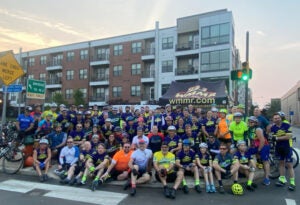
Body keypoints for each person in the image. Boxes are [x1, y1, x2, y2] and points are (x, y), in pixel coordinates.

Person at [270, 113, 295, 191]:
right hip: (278, 148)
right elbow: (273, 136)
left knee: (289, 165)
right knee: (281, 164)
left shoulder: (287, 125)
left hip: (287, 147)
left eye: (278, 118)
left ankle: (292, 183)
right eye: (275, 118)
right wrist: (273, 138)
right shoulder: (273, 127)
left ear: (281, 118)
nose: (277, 119)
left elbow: (288, 136)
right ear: (273, 120)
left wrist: (277, 138)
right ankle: (282, 180)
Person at [247, 116, 271, 186]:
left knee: (265, 161)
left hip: (263, 146)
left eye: (252, 122)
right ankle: (249, 171)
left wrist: (259, 150)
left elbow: (262, 140)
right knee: (247, 153)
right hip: (255, 145)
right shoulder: (250, 129)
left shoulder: (258, 129)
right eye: (249, 121)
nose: (250, 123)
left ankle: (267, 178)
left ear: (256, 123)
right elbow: (252, 139)